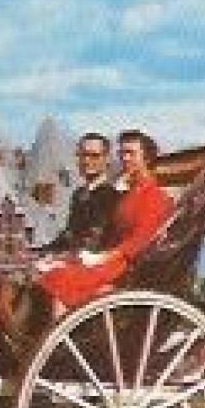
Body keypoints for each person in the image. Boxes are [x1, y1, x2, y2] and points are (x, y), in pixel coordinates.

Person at [37, 129, 173, 311]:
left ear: (146, 159)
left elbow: (138, 242)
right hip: (112, 259)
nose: (125, 159)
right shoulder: (129, 194)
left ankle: (58, 334)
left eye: (131, 153)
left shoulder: (155, 196)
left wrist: (102, 257)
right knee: (55, 274)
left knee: (60, 278)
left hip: (125, 266)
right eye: (122, 153)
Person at [41, 132, 120, 254]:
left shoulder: (111, 195)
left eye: (94, 156)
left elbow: (95, 239)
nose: (87, 161)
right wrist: (43, 251)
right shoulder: (79, 193)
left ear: (107, 159)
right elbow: (69, 233)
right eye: (82, 155)